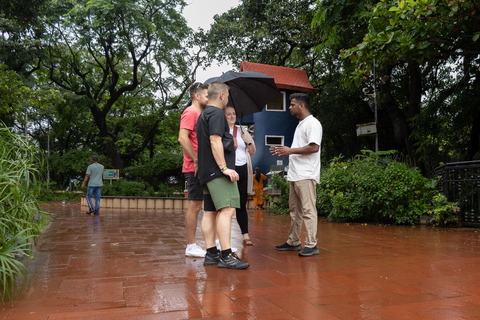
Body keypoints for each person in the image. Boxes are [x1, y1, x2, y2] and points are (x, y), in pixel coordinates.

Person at [196, 82, 249, 270]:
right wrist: (224, 167)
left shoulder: (204, 114)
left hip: (206, 172)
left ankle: (211, 254)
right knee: (228, 210)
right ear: (221, 95)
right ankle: (227, 255)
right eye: (227, 96)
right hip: (217, 172)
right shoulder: (217, 113)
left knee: (210, 212)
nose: (227, 100)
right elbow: (214, 140)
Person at [270, 93, 322, 257]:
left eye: (292, 105)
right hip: (296, 175)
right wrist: (286, 151)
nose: (289, 108)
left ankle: (311, 245)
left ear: (301, 106)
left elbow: (314, 147)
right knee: (295, 211)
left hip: (306, 175)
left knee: (308, 210)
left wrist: (290, 150)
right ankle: (293, 241)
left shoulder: (312, 123)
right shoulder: (301, 124)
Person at [178, 82, 209, 258]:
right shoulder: (190, 112)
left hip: (202, 167)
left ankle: (214, 243)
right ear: (196, 96)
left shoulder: (201, 114)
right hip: (194, 167)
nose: (208, 98)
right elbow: (182, 138)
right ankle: (191, 245)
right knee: (195, 206)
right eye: (206, 95)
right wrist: (196, 160)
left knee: (205, 206)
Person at [225, 106, 256, 246]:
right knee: (227, 206)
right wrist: (232, 145)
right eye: (228, 114)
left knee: (241, 205)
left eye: (233, 114)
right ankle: (223, 238)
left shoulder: (243, 130)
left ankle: (245, 235)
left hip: (243, 170)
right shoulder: (221, 131)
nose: (232, 117)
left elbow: (253, 151)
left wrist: (247, 141)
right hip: (228, 171)